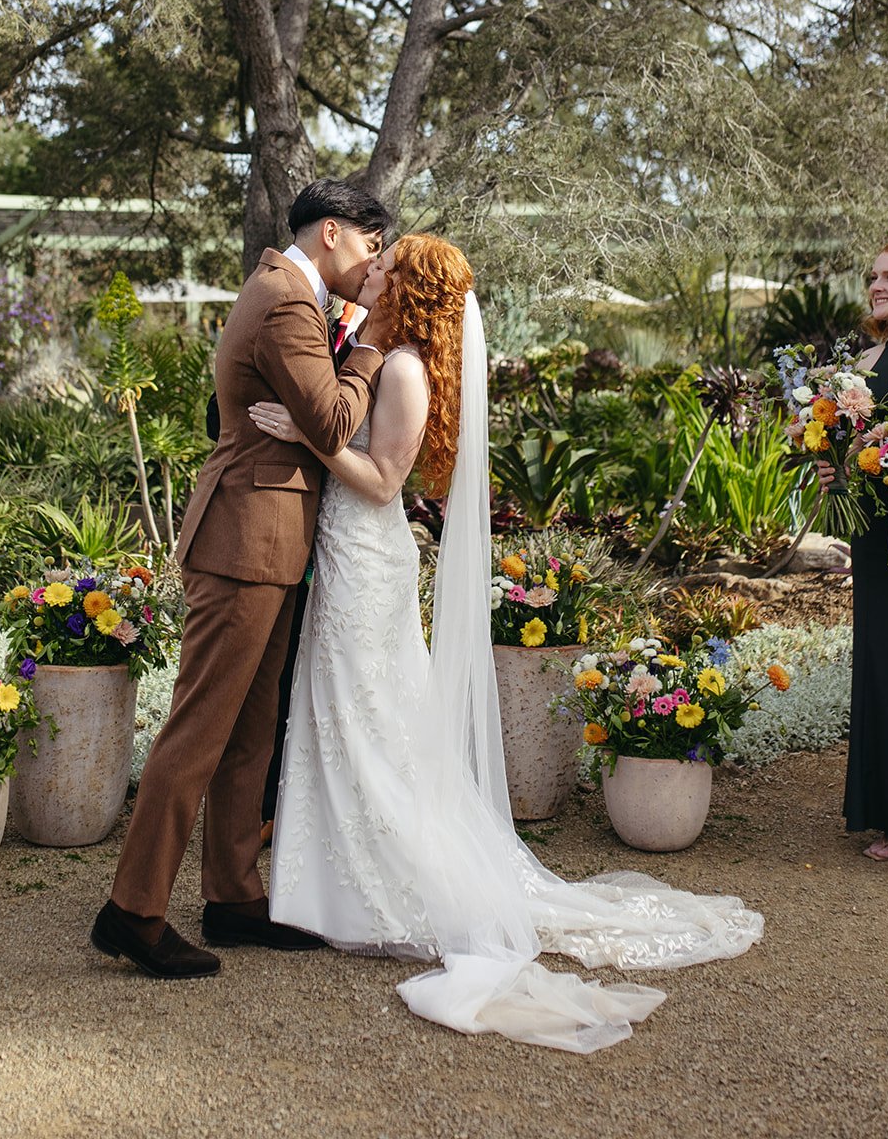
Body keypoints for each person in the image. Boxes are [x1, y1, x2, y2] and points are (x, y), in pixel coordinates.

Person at [252, 234, 763, 1052]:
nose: (368, 273)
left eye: (384, 269)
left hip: (365, 560)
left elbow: (383, 481)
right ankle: (330, 888)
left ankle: (371, 891)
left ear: (409, 290)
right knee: (347, 713)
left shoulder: (409, 371)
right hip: (345, 555)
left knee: (368, 716)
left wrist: (305, 437)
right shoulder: (386, 357)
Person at [92, 179, 391, 978]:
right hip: (241, 543)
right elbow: (331, 422)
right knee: (198, 732)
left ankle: (232, 897)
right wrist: (370, 343)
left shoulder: (294, 293)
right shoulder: (285, 302)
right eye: (367, 248)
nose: (370, 266)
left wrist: (351, 333)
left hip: (272, 542)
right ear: (332, 233)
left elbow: (312, 420)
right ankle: (133, 910)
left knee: (250, 734)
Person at [820, 240, 888, 869]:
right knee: (887, 672)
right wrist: (834, 470)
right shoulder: (864, 362)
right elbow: (849, 448)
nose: (877, 286)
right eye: (873, 277)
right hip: (880, 540)